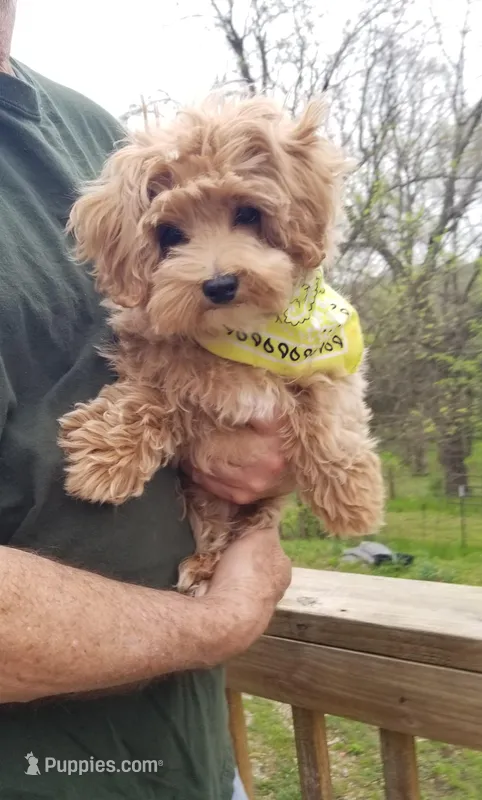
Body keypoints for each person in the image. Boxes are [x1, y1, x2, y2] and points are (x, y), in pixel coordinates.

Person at [0, 2, 292, 798]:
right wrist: (217, 623)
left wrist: (255, 440)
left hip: (189, 759)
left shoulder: (97, 132)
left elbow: (198, 339)